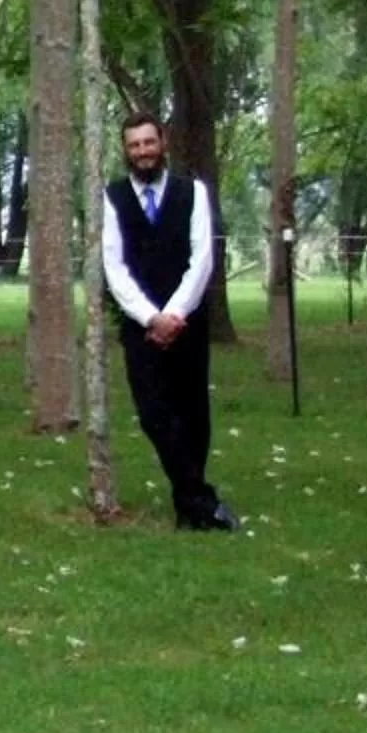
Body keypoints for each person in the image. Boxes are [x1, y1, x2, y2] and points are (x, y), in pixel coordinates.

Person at [101, 113, 237, 530]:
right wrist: (150, 317)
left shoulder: (192, 193)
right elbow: (114, 266)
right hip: (139, 326)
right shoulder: (112, 197)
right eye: (134, 145)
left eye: (148, 142)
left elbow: (203, 260)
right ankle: (201, 499)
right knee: (153, 413)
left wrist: (175, 314)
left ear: (163, 143)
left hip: (188, 322)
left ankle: (189, 509)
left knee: (193, 413)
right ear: (126, 151)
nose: (142, 151)